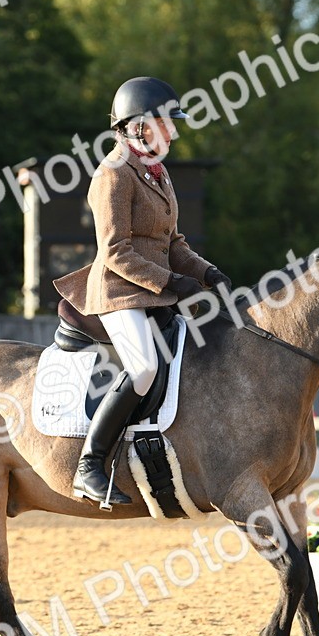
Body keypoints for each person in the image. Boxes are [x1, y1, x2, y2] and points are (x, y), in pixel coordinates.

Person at [53, 76, 232, 509]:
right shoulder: (113, 174)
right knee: (145, 368)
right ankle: (89, 467)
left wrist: (210, 274)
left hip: (154, 293)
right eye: (166, 123)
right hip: (119, 292)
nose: (173, 132)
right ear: (137, 127)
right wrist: (173, 282)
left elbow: (173, 245)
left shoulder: (158, 173)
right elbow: (115, 251)